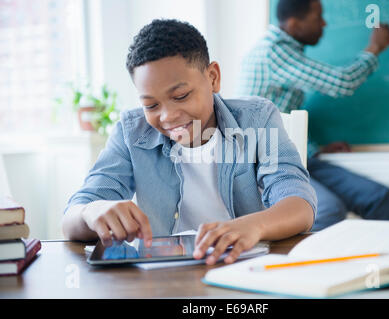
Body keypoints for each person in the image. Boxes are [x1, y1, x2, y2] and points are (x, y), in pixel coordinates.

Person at [62, 19, 317, 265]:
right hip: (165, 276)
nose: (168, 116)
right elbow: (73, 216)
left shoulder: (257, 120)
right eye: (150, 104)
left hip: (244, 269)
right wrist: (90, 212)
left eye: (181, 96)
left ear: (213, 77)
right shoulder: (132, 132)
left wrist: (255, 225)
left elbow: (299, 204)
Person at [237, 0, 389, 231]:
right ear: (294, 23)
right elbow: (342, 82)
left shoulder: (285, 51)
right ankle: (296, 263)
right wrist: (375, 47)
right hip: (267, 163)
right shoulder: (274, 52)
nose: (324, 23)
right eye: (317, 17)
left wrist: (314, 148)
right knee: (328, 209)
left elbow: (282, 115)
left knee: (379, 196)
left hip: (301, 156)